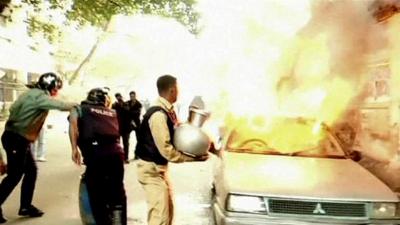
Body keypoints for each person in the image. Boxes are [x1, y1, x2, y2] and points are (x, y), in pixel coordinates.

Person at [0, 72, 76, 223]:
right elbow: (60, 105)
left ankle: (26, 206)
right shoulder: (40, 97)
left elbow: (13, 109)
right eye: (56, 88)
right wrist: (81, 106)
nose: (56, 92)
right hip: (17, 138)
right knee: (14, 175)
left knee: (31, 171)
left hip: (14, 137)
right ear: (51, 86)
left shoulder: (29, 94)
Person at [135, 75, 208, 225]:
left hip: (158, 170)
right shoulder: (158, 115)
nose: (179, 92)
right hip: (151, 171)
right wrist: (192, 158)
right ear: (172, 90)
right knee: (160, 218)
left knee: (167, 214)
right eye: (178, 88)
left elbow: (177, 134)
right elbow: (167, 150)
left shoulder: (166, 111)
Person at [69, 88, 127, 225]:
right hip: (117, 154)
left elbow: (73, 124)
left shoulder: (81, 109)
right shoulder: (112, 112)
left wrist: (74, 149)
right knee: (117, 192)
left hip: (96, 155)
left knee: (96, 194)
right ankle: (118, 222)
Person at [124, 91, 142, 162]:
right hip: (129, 124)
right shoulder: (127, 103)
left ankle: (136, 154)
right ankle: (126, 157)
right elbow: (125, 113)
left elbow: (137, 113)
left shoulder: (139, 104)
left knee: (139, 140)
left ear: (135, 96)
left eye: (133, 96)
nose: (132, 97)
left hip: (137, 123)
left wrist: (129, 112)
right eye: (131, 96)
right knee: (126, 141)